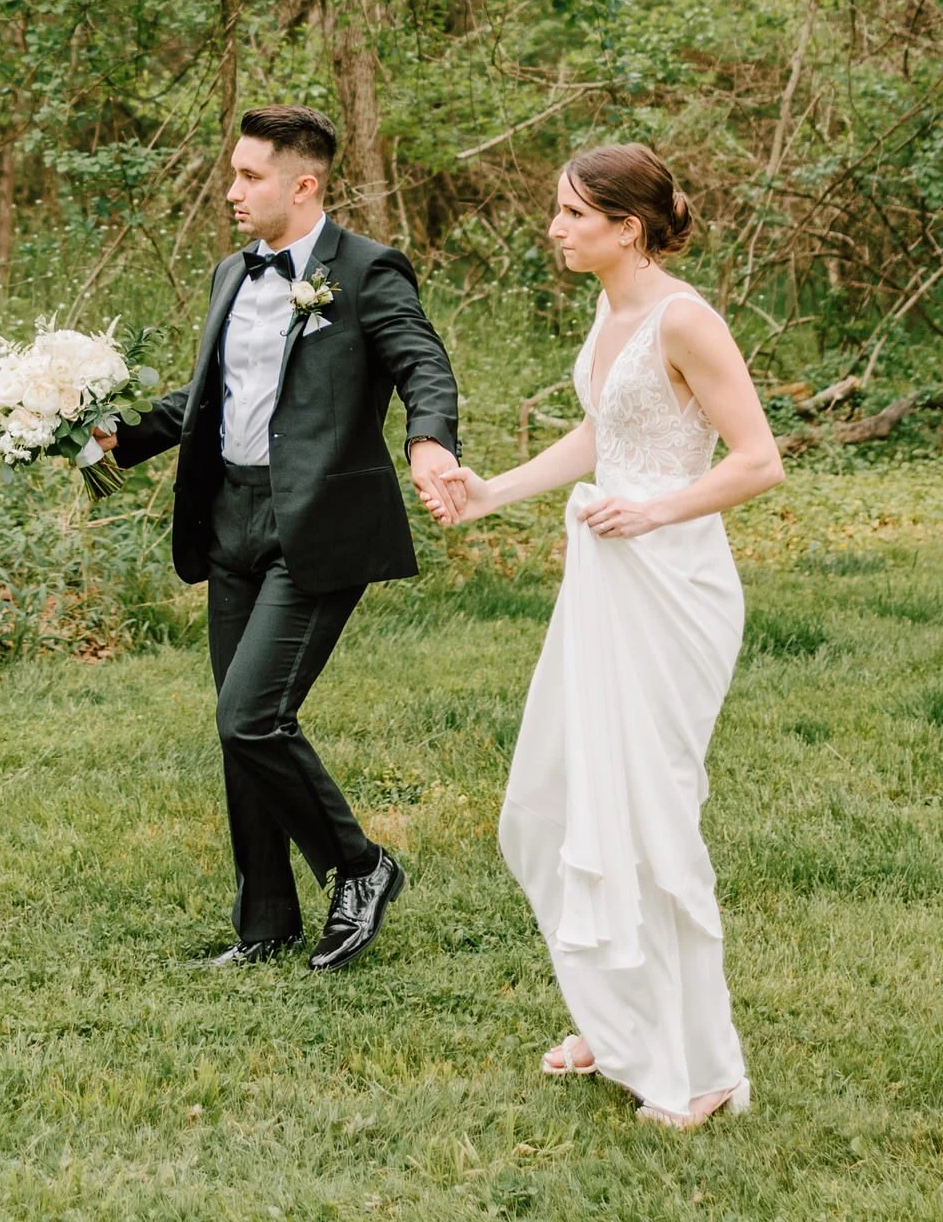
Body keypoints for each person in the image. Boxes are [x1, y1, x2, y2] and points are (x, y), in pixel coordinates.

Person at [430, 144, 783, 1127]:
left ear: (627, 228)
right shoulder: (611, 311)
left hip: (672, 587)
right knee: (556, 802)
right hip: (605, 577)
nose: (555, 228)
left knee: (650, 816)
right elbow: (604, 436)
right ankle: (619, 1015)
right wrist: (491, 492)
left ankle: (704, 1070)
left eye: (573, 214)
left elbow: (758, 461)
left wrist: (658, 512)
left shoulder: (685, 318)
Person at [106, 105, 462, 969]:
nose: (231, 190)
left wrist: (430, 441)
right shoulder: (234, 273)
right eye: (233, 173)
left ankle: (361, 866)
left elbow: (424, 364)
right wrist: (106, 434)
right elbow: (204, 401)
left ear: (302, 185)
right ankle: (265, 925)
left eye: (249, 176)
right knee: (241, 733)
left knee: (251, 715)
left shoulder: (369, 272)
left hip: (318, 525)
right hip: (230, 518)